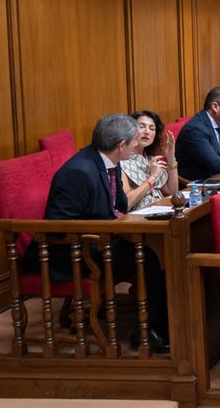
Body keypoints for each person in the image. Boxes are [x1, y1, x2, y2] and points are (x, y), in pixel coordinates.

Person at [31, 113, 170, 351]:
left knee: (157, 251)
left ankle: (161, 325)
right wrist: (109, 233)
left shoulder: (109, 162)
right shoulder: (79, 172)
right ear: (121, 145)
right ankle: (151, 331)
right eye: (134, 141)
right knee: (149, 257)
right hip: (72, 254)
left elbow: (119, 205)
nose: (137, 145)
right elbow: (58, 226)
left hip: (103, 238)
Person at [121, 110, 180, 211]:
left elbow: (172, 192)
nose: (147, 132)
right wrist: (152, 177)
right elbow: (127, 203)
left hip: (160, 209)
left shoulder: (150, 159)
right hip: (139, 215)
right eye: (141, 126)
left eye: (152, 128)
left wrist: (170, 157)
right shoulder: (121, 162)